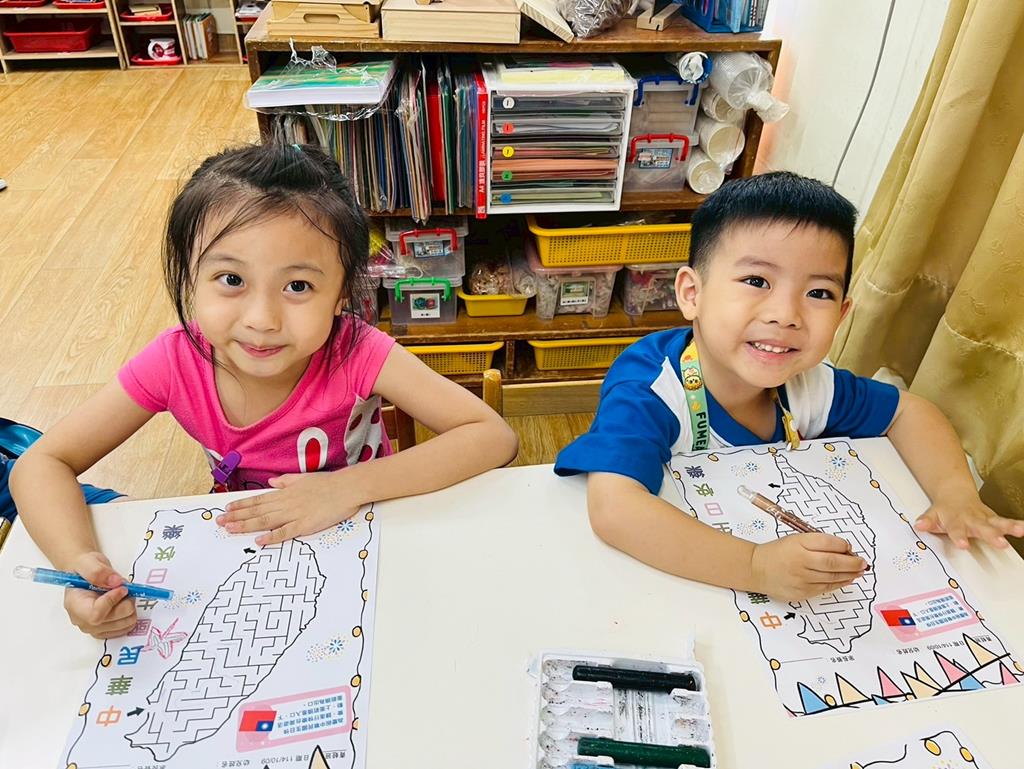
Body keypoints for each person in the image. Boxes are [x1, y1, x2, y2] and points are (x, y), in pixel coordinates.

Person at [11, 143, 518, 639]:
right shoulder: (174, 361)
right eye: (231, 278)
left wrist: (347, 488)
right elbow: (41, 464)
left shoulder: (356, 351)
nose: (261, 320)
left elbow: (491, 436)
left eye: (298, 286)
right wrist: (79, 564)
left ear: (342, 293)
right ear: (191, 275)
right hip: (253, 550)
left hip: (368, 528)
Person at [555, 171, 1024, 601]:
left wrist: (956, 494)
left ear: (842, 314)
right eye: (756, 280)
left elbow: (909, 412)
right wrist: (755, 566)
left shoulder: (809, 383)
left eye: (818, 293)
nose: (786, 315)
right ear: (692, 294)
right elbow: (615, 509)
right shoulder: (650, 388)